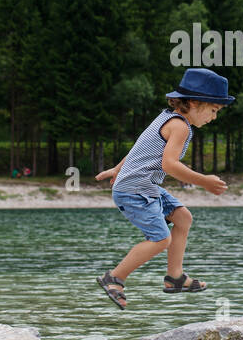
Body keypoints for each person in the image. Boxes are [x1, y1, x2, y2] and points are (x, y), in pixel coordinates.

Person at [95, 67, 231, 310]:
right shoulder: (180, 127)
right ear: (194, 103)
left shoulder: (166, 117)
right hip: (135, 190)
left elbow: (141, 147)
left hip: (144, 186)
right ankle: (114, 278)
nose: (214, 117)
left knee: (183, 217)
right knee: (160, 239)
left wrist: (117, 168)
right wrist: (204, 181)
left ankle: (175, 278)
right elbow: (169, 165)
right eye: (213, 110)